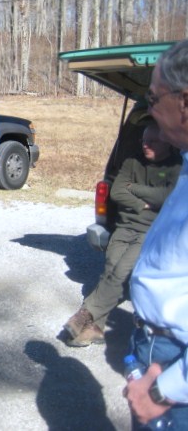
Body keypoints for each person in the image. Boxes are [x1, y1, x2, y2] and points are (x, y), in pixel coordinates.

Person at [63, 122, 181, 347]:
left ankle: (85, 314)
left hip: (150, 231)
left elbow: (166, 196)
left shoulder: (176, 166)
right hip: (124, 227)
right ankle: (95, 328)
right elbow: (117, 191)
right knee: (110, 270)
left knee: (121, 273)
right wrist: (144, 204)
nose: (146, 145)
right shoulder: (131, 161)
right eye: (143, 141)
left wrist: (133, 189)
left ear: (167, 143)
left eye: (152, 142)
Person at [124, 39, 188, 428]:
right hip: (154, 348)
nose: (149, 108)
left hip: (173, 366)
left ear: (185, 101)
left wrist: (166, 390)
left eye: (152, 96)